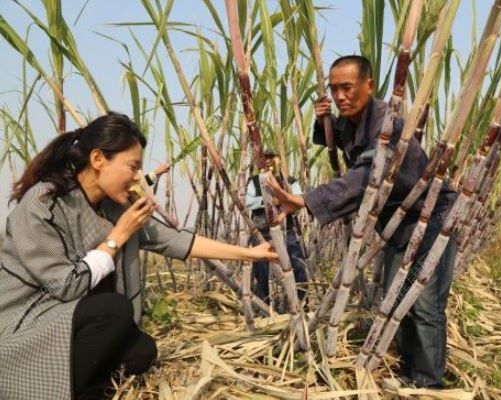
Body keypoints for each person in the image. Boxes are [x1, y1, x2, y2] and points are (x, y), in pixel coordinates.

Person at [0, 112, 277, 400]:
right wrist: (118, 236)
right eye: (133, 166)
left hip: (72, 317)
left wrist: (251, 254)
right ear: (98, 159)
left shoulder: (113, 207)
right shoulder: (42, 205)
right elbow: (66, 286)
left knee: (142, 352)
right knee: (114, 310)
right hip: (24, 322)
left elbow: (176, 240)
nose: (137, 177)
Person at [267, 55, 457, 388]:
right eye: (334, 89)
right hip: (397, 223)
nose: (340, 96)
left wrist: (306, 201)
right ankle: (410, 373)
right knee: (398, 299)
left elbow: (370, 173)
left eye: (347, 88)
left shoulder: (389, 123)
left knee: (425, 304)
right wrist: (321, 122)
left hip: (430, 220)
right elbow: (332, 139)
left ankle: (429, 385)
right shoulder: (349, 121)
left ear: (369, 86)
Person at [245, 149, 308, 304]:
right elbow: (248, 202)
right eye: (264, 157)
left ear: (279, 159)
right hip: (262, 232)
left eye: (271, 157)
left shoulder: (290, 181)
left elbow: (299, 200)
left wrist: (283, 199)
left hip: (287, 231)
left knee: (298, 266)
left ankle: (302, 304)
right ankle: (263, 308)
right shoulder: (253, 181)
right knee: (261, 271)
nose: (267, 160)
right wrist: (268, 200)